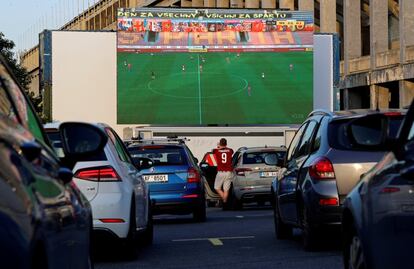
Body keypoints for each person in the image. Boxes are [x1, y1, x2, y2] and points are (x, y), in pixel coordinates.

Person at [213, 138, 234, 205]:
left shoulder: (216, 151)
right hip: (229, 172)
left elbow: (214, 150)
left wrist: (219, 147)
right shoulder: (230, 150)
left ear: (220, 143)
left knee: (217, 188)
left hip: (221, 172)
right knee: (226, 189)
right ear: (226, 143)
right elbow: (230, 150)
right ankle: (225, 201)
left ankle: (224, 199)